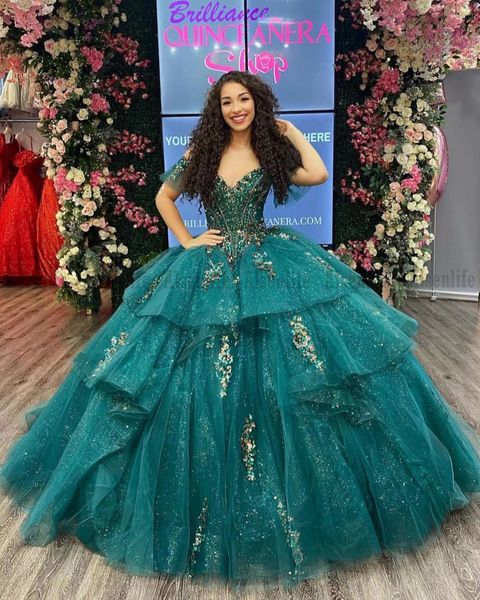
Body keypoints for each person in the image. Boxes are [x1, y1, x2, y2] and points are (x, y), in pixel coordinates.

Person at [1, 70, 479, 591]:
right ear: (217, 108)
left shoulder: (271, 152)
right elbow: (165, 197)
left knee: (299, 368)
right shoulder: (204, 153)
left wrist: (291, 131)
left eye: (244, 99)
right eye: (227, 101)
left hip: (266, 262)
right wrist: (185, 240)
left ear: (257, 103)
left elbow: (316, 176)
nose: (236, 108)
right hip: (207, 268)